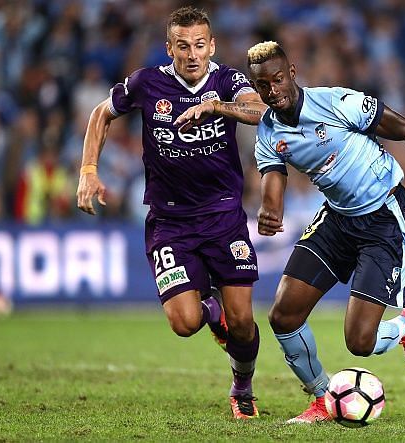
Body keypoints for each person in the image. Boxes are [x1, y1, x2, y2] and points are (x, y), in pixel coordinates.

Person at [175, 41, 405, 424]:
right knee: (283, 316)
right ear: (256, 89)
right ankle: (324, 399)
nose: (273, 91)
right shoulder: (268, 134)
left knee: (359, 341)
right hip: (337, 219)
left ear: (292, 72)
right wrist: (269, 211)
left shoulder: (337, 102)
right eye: (263, 86)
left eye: (278, 80)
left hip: (383, 217)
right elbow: (273, 183)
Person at [76, 7, 264, 419]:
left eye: (200, 45)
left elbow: (259, 111)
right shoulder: (147, 83)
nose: (193, 54)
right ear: (170, 49)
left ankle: (242, 387)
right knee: (184, 322)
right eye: (183, 46)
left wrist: (219, 108)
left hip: (224, 217)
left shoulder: (227, 80)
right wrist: (89, 170)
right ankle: (210, 310)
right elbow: (100, 114)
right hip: (170, 222)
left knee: (245, 323)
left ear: (211, 46)